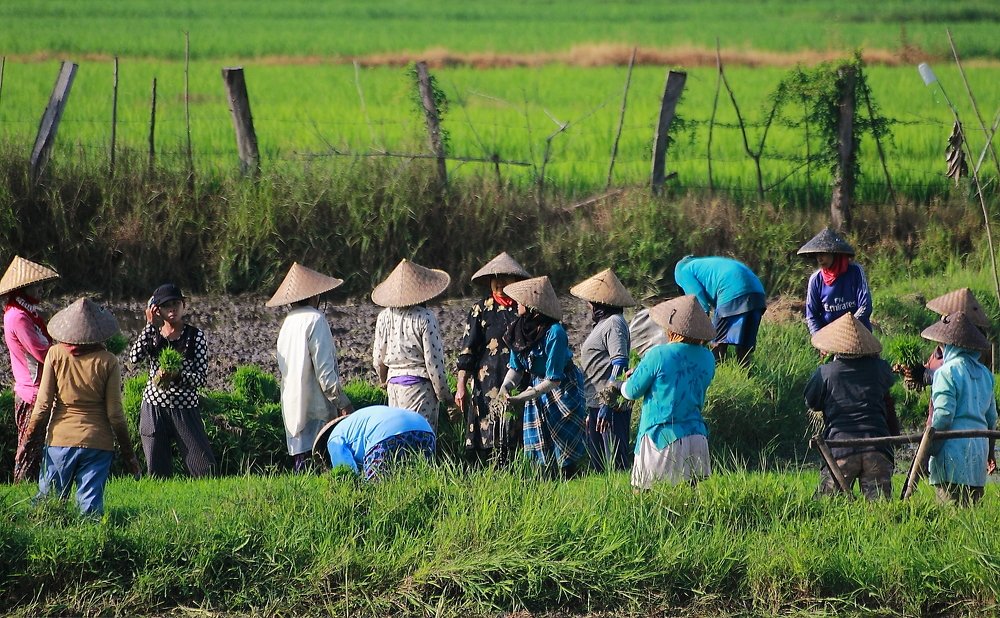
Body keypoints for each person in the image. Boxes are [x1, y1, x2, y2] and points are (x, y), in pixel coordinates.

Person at [18, 298, 140, 516]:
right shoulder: (108, 360)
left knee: (48, 507)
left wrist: (27, 440)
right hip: (98, 443)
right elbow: (116, 415)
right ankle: (94, 546)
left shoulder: (55, 354)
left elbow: (43, 406)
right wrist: (129, 454)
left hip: (59, 441)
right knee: (89, 510)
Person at [621, 295, 716, 490]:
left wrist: (626, 380)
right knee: (688, 497)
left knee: (645, 494)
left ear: (671, 328)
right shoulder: (708, 357)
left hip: (661, 437)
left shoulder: (658, 354)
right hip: (696, 436)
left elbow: (631, 392)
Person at [267, 262, 354, 472]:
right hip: (316, 407)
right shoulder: (316, 319)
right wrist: (343, 403)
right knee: (321, 463)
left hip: (292, 404)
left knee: (301, 464)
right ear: (315, 296)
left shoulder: (287, 323)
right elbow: (325, 373)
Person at [499, 275, 588, 478]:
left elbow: (553, 379)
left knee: (565, 445)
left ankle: (569, 480)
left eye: (522, 302)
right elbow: (516, 369)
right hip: (537, 386)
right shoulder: (517, 331)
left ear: (532, 307)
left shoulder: (555, 333)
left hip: (562, 387)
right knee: (539, 447)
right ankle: (545, 482)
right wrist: (506, 386)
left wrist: (523, 397)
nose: (517, 304)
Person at [804, 313, 899, 500]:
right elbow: (888, 401)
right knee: (880, 510)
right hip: (877, 446)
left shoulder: (826, 372)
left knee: (828, 507)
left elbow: (811, 402)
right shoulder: (880, 368)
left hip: (841, 448)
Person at [127, 283, 216, 478]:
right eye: (167, 306)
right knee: (158, 472)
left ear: (184, 305)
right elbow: (134, 358)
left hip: (185, 408)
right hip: (154, 407)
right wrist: (149, 325)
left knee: (203, 468)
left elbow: (201, 379)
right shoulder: (153, 334)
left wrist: (178, 376)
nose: (172, 309)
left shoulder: (195, 336)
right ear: (157, 310)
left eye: (176, 304)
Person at [455, 252, 531, 465]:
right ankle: (487, 472)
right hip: (487, 382)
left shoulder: (523, 309)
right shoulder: (481, 309)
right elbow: (467, 351)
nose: (499, 282)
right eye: (495, 277)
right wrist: (461, 385)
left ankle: (517, 472)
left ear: (515, 281)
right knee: (487, 434)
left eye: (505, 277)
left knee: (514, 432)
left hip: (518, 379)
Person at [920, 311, 997, 505]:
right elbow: (991, 418)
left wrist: (930, 448)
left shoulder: (946, 372)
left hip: (952, 450)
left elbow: (944, 415)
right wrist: (989, 453)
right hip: (978, 451)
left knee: (951, 513)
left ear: (948, 344)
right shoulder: (986, 375)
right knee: (972, 516)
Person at [372, 259, 452, 433]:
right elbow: (434, 365)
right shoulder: (425, 317)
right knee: (421, 439)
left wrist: (383, 381)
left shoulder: (384, 317)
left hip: (394, 386)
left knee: (398, 438)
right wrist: (445, 397)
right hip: (420, 389)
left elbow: (378, 360)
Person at [570, 268, 635, 473]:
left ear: (600, 303)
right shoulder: (603, 324)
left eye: (591, 302)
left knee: (615, 463)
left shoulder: (614, 323)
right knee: (600, 466)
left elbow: (620, 362)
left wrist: (607, 403)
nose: (588, 305)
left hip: (611, 405)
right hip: (597, 403)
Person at [2, 255, 60, 482]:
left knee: (40, 447)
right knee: (29, 448)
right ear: (25, 288)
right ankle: (23, 494)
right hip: (32, 392)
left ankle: (38, 493)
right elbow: (41, 352)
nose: (41, 290)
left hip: (36, 389)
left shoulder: (26, 313)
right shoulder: (18, 317)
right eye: (37, 286)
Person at [673, 255, 766, 366]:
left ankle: (715, 371)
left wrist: (693, 339)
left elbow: (700, 306)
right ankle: (746, 376)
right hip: (758, 293)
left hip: (732, 291)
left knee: (718, 344)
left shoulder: (683, 272)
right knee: (744, 348)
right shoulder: (705, 265)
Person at [900, 288, 991, 396]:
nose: (942, 319)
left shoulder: (975, 351)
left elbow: (964, 381)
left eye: (946, 318)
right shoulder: (943, 347)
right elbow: (933, 367)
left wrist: (927, 375)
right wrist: (913, 371)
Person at [312, 405, 435, 481]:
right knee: (420, 479)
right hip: (424, 428)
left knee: (377, 489)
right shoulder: (356, 421)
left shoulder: (334, 439)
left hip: (385, 435)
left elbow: (347, 473)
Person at [797, 227, 872, 336]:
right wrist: (820, 339)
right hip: (830, 339)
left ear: (835, 253)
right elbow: (812, 316)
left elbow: (865, 306)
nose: (820, 259)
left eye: (823, 254)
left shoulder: (855, 271)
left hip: (858, 334)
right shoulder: (816, 280)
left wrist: (847, 329)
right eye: (818, 255)